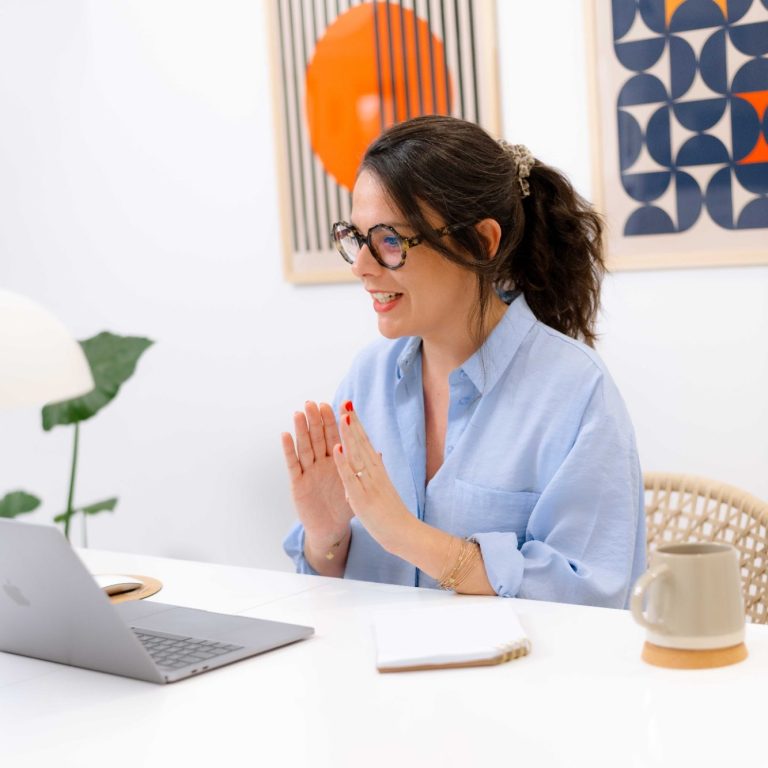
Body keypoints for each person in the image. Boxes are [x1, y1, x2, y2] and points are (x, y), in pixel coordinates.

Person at [281, 115, 645, 607]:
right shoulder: (366, 381)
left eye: (389, 240)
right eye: (357, 237)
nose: (362, 267)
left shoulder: (576, 393)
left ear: (482, 241)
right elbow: (330, 591)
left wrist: (403, 533)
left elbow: (591, 597)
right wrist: (328, 537)